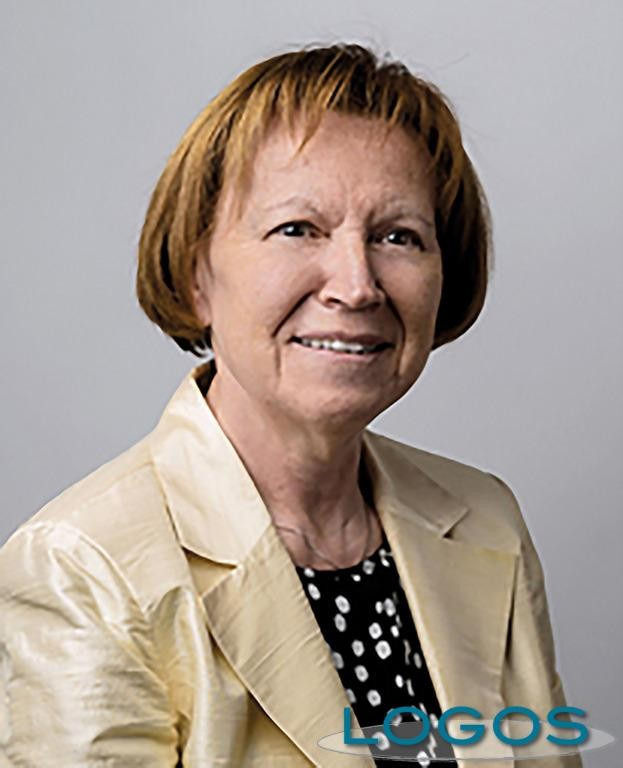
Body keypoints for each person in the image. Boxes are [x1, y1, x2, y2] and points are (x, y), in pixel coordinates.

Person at [0, 44, 582, 767]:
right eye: (297, 229)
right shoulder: (85, 567)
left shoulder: (485, 518)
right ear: (196, 276)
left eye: (398, 236)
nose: (357, 285)